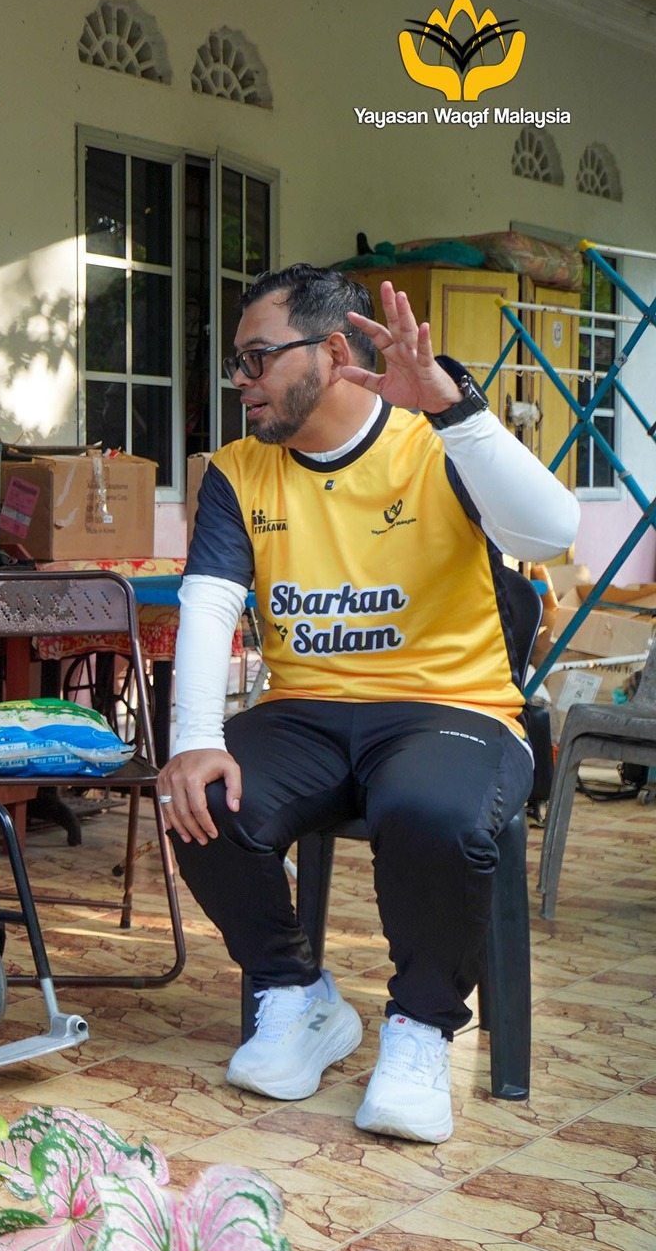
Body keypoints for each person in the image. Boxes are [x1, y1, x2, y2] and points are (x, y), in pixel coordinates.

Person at [160, 263, 578, 1144]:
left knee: (430, 808)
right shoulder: (237, 471)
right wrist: (193, 737)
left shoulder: (438, 441)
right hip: (306, 710)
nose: (240, 381)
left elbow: (550, 532)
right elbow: (208, 603)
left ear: (333, 351)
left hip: (454, 708)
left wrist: (457, 413)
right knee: (201, 797)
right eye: (236, 361)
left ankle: (421, 1030)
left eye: (257, 358)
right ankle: (296, 994)